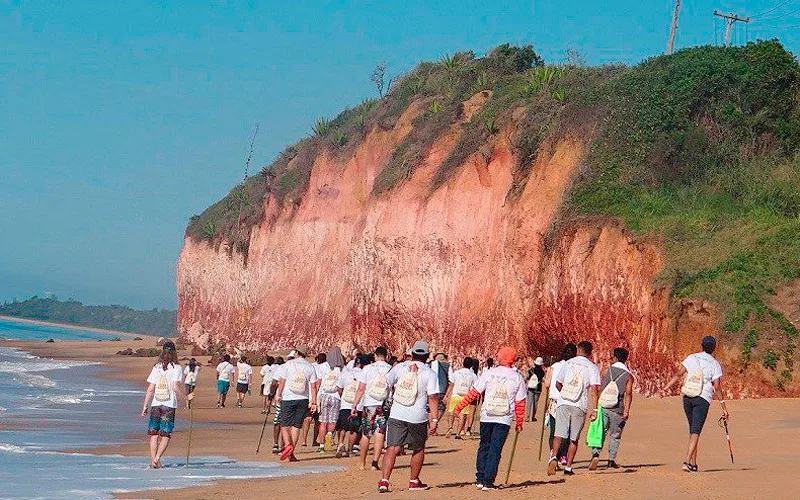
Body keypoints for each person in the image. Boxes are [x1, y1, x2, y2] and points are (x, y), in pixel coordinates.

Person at [455, 346, 526, 491]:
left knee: (484, 446)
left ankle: (480, 478)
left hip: (487, 415)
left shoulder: (489, 373)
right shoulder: (517, 377)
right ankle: (488, 481)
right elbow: (520, 403)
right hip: (504, 418)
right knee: (495, 449)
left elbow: (474, 392)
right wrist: (519, 421)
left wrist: (460, 406)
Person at [378, 340, 439, 493]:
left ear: (412, 354)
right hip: (418, 416)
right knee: (418, 448)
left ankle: (384, 481)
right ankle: (413, 481)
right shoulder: (429, 373)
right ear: (427, 355)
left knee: (392, 447)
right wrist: (434, 419)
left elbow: (386, 382)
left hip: (397, 413)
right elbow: (433, 397)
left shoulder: (399, 367)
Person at [664, 336, 729, 472]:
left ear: (702, 345)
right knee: (696, 430)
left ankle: (693, 463)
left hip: (687, 396)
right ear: (714, 348)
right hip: (702, 398)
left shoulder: (692, 357)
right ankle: (687, 461)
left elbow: (679, 373)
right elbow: (717, 387)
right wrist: (724, 407)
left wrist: (666, 387)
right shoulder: (714, 364)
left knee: (694, 430)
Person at [547, 341, 601, 476]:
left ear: (578, 349)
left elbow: (558, 383)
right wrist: (594, 410)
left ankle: (554, 456)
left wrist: (563, 394)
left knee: (558, 433)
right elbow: (594, 389)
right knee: (573, 438)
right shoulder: (592, 367)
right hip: (580, 404)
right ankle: (569, 467)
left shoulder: (568, 363)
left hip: (563, 402)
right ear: (590, 352)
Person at [141, 341, 190, 468]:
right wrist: (185, 398)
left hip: (156, 403)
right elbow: (175, 387)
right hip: (169, 405)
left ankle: (154, 461)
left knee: (154, 433)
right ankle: (157, 458)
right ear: (174, 353)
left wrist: (145, 406)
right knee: (166, 434)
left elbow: (150, 388)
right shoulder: (177, 368)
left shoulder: (157, 367)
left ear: (162, 352)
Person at [589, 347, 634, 469]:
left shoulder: (605, 370)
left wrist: (595, 407)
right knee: (615, 435)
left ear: (616, 358)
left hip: (603, 406)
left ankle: (595, 454)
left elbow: (599, 388)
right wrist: (626, 411)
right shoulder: (628, 375)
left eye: (612, 357)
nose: (610, 359)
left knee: (600, 432)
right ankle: (611, 460)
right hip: (617, 409)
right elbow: (628, 394)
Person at [274, 345, 319, 462]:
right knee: (296, 426)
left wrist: (278, 394)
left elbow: (282, 382)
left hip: (288, 398)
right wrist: (314, 402)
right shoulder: (310, 367)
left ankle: (288, 445)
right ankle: (291, 453)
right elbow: (313, 387)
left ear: (296, 353)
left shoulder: (288, 365)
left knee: (285, 425)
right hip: (303, 399)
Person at [352, 346, 392, 470]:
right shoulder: (390, 369)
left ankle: (362, 463)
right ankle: (375, 463)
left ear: (375, 355)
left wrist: (355, 405)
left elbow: (361, 389)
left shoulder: (368, 368)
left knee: (366, 434)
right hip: (383, 404)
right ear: (387, 356)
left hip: (369, 403)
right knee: (380, 433)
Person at [543, 343, 576, 465]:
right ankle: (563, 455)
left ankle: (553, 453)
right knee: (566, 430)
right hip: (567, 400)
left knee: (554, 429)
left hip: (553, 402)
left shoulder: (554, 366)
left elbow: (547, 384)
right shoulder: (573, 367)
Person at [336, 353, 366, 458]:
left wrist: (342, 395)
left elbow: (339, 388)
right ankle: (350, 449)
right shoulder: (364, 374)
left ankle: (340, 443)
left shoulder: (346, 374)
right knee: (354, 429)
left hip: (345, 403)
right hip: (358, 405)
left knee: (342, 427)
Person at [316, 347, 344, 453]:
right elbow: (341, 386)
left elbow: (318, 382)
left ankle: (321, 446)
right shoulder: (341, 368)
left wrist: (316, 397)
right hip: (336, 396)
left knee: (323, 421)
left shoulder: (322, 366)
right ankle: (329, 434)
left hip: (324, 395)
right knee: (333, 420)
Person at [443, 357, 478, 439]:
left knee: (451, 412)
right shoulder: (473, 375)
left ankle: (450, 427)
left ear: (463, 363)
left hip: (455, 395)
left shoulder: (457, 373)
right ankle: (458, 434)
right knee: (462, 415)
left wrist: (446, 395)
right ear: (471, 365)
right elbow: (475, 388)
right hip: (466, 397)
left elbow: (451, 384)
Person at [301, 352, 327, 446]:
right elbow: (318, 383)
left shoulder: (310, 366)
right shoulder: (324, 368)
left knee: (307, 418)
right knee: (318, 420)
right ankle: (315, 441)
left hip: (308, 395)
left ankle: (304, 440)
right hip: (318, 395)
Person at [270, 356, 286, 454]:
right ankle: (280, 445)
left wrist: (271, 394)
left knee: (279, 421)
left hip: (282, 399)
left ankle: (278, 444)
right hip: (286, 399)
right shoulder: (283, 368)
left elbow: (274, 383)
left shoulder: (281, 368)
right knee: (284, 422)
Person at [430, 352, 450, 423]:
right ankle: (435, 424)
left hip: (431, 389)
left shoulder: (430, 364)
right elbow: (451, 381)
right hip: (442, 390)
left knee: (430, 409)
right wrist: (447, 395)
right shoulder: (448, 366)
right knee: (441, 408)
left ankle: (431, 426)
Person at [526, 357, 545, 422]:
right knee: (535, 403)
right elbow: (542, 379)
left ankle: (527, 417)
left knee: (529, 402)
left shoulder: (531, 370)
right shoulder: (542, 372)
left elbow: (527, 377)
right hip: (538, 387)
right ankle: (533, 417)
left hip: (531, 387)